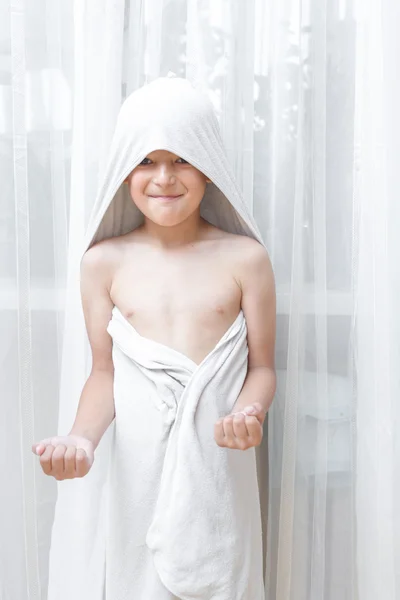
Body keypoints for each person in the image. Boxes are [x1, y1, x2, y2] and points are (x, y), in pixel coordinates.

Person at [32, 77, 276, 600]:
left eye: (181, 158)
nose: (164, 177)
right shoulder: (103, 264)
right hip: (136, 474)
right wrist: (80, 438)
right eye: (146, 161)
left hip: (219, 465)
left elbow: (261, 368)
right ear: (125, 172)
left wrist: (248, 415)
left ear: (207, 166)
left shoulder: (245, 259)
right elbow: (105, 373)